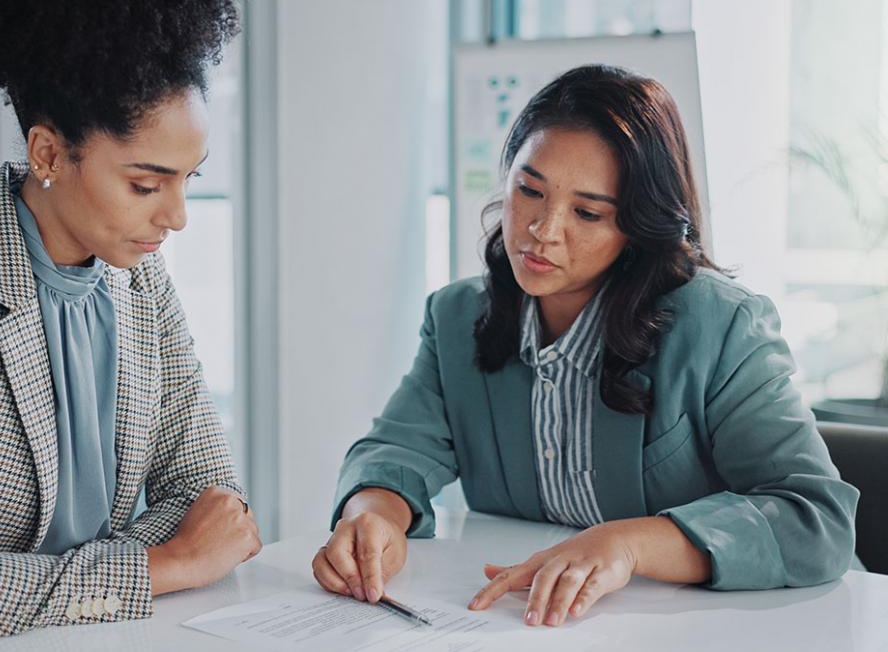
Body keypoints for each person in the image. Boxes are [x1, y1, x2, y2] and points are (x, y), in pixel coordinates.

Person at [312, 64, 858, 628]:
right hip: (531, 627)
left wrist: (630, 544)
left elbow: (815, 519)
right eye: (529, 190)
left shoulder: (722, 325)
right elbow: (397, 450)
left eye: (588, 213)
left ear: (638, 226)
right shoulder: (456, 316)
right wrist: (372, 512)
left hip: (740, 628)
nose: (542, 230)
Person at [0, 0, 259, 646]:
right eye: (146, 185)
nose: (176, 217)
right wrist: (161, 564)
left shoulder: (141, 281)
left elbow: (212, 503)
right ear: (49, 154)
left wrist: (14, 584)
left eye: (189, 180)